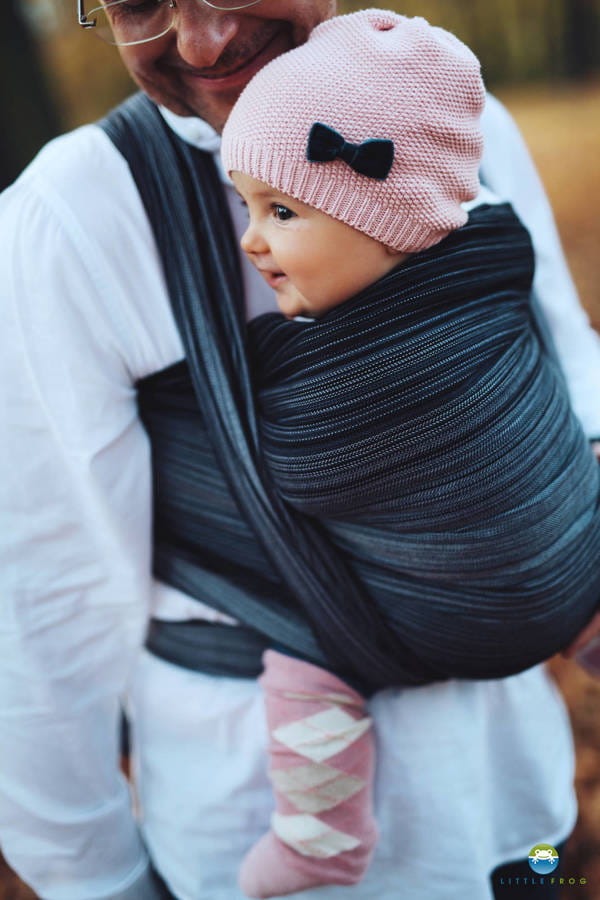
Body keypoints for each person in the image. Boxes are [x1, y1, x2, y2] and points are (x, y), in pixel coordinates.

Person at [0, 2, 599, 900]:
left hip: (512, 789)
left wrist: (549, 545)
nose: (202, 40)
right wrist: (92, 876)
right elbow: (46, 592)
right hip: (251, 808)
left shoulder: (450, 112)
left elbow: (564, 366)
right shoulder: (76, 214)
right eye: (138, 2)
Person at [218, 11, 600, 897]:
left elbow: (301, 466)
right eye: (247, 207)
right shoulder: (491, 248)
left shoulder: (383, 350)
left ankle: (320, 833)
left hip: (449, 636)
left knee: (305, 661)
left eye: (281, 211)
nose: (251, 239)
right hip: (560, 595)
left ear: (391, 222)